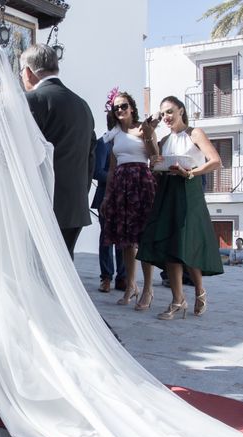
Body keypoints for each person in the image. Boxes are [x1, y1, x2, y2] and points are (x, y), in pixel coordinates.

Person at [0, 34, 243, 437]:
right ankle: (0, 375)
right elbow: (39, 157)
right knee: (8, 287)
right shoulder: (11, 106)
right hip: (8, 210)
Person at [137, 96, 224, 320]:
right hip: (167, 191)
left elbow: (215, 161)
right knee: (170, 244)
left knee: (189, 245)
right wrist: (150, 135)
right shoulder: (165, 140)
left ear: (181, 111)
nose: (166, 116)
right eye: (163, 113)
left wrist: (191, 172)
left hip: (189, 190)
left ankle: (199, 290)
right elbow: (155, 161)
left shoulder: (195, 133)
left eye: (170, 111)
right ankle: (178, 300)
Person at [20, 44, 96, 259]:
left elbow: (23, 153)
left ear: (28, 71)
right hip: (75, 204)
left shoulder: (32, 100)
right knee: (64, 272)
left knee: (37, 275)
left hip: (42, 204)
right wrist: (81, 192)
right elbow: (91, 155)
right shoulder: (82, 105)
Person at [100, 92, 157, 310]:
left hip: (141, 182)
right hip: (121, 185)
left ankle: (148, 289)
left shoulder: (143, 128)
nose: (120, 110)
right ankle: (130, 287)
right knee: (125, 240)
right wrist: (107, 196)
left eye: (123, 106)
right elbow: (113, 167)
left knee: (142, 238)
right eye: (116, 108)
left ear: (131, 107)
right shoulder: (115, 134)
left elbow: (154, 156)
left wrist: (150, 134)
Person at [91, 137, 125, 293]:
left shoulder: (127, 141)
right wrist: (121, 179)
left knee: (123, 239)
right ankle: (106, 277)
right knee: (106, 238)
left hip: (125, 197)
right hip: (106, 197)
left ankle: (122, 277)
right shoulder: (103, 143)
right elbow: (97, 172)